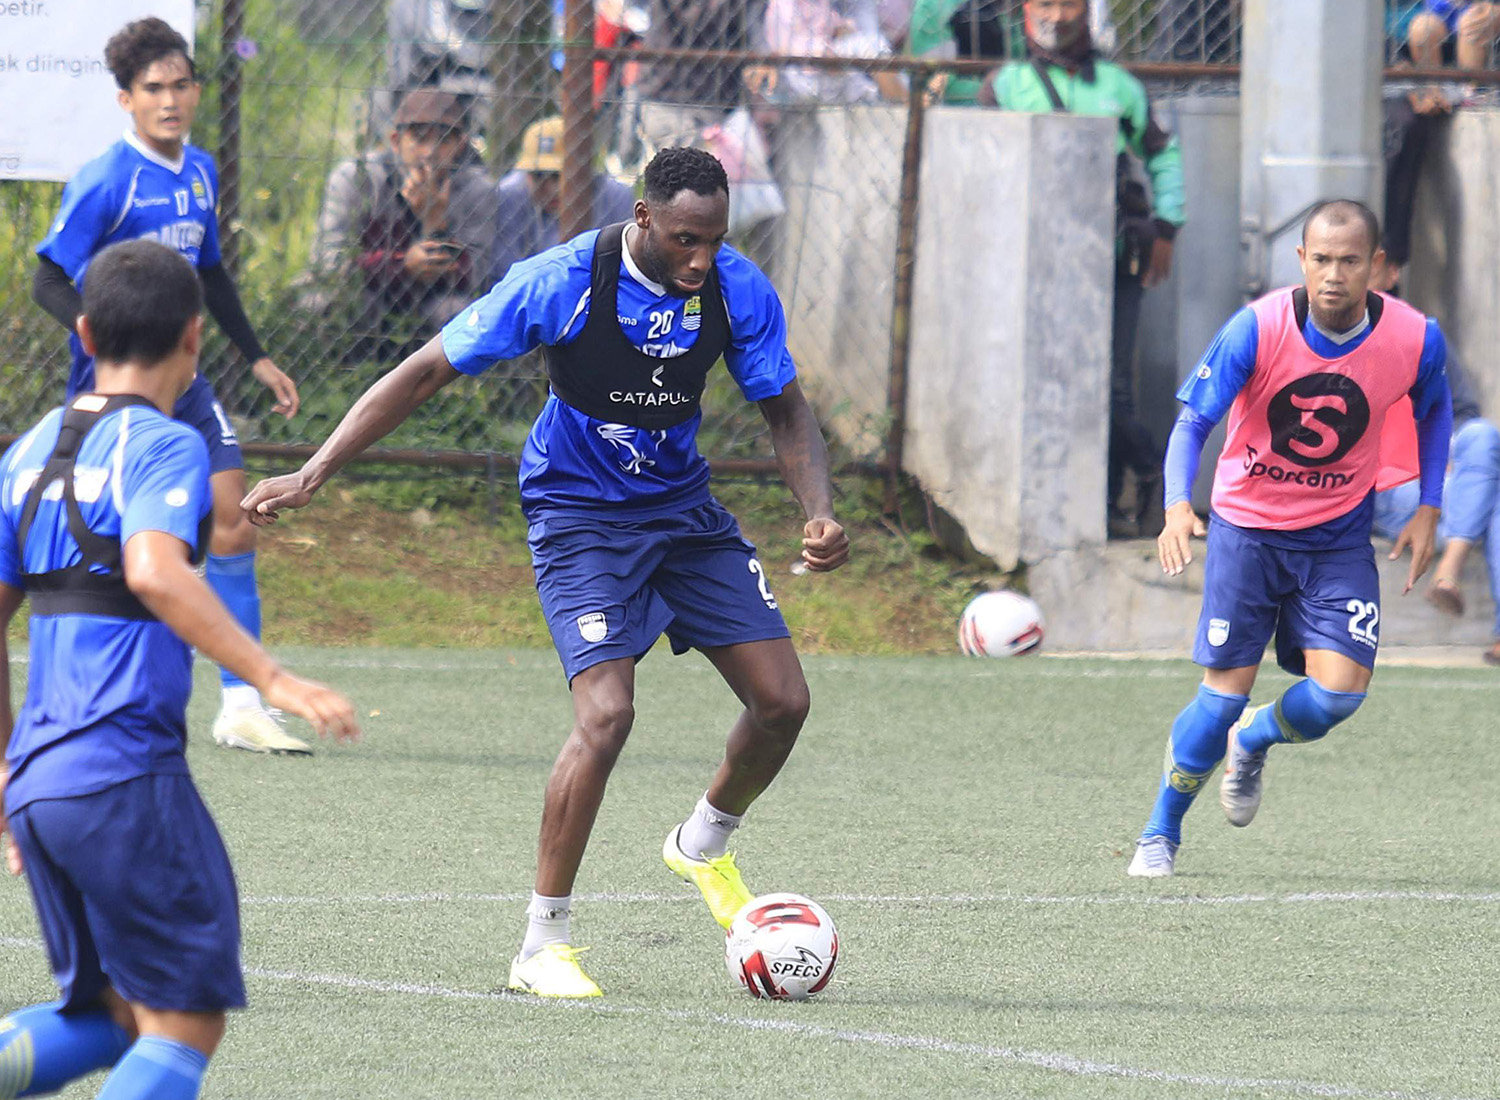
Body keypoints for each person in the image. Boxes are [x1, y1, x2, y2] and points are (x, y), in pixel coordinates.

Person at [242, 147, 848, 998]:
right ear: (641, 217)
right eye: (683, 239)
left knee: (784, 702)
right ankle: (542, 944)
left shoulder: (736, 287)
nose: (700, 259)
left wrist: (817, 509)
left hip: (682, 514)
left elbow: (784, 408)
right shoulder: (560, 281)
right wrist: (315, 471)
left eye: (713, 240)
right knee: (606, 715)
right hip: (580, 515)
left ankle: (702, 842)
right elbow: (424, 372)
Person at [0, 240, 359, 1100]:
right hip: (120, 770)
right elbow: (156, 570)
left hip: (41, 782)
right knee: (187, 1020)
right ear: (195, 339)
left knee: (115, 1015)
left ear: (83, 333)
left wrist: (8, 769)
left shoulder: (26, 452)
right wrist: (269, 678)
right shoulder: (165, 444)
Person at [1128, 200, 1453, 878]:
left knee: (1338, 695)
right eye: (1322, 259)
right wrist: (1176, 507)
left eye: (1351, 260)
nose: (1334, 275)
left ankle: (1258, 734)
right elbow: (1192, 424)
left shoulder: (1416, 338)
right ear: (1301, 261)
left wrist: (1428, 507)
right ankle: (1160, 831)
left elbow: (1435, 407)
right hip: (1247, 533)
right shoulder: (1258, 326)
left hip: (1336, 538)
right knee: (1218, 700)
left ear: (1380, 269)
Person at [30, 17, 309, 755]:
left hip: (185, 380)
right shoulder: (104, 181)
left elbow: (211, 270)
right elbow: (46, 277)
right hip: (113, 387)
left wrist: (256, 356)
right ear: (125, 99)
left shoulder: (201, 170)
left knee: (236, 517)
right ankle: (93, 695)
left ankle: (242, 705)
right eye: (153, 88)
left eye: (181, 84)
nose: (170, 99)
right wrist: (105, 333)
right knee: (109, 541)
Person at [981, 0, 1187, 537]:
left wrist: (1167, 227)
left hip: (1115, 260)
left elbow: (1163, 154)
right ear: (1025, 12)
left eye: (1067, 1)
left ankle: (1150, 482)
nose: (1056, 14)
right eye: (1044, 2)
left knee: (1110, 387)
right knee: (1054, 383)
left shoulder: (1121, 86)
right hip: (1033, 265)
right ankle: (1108, 501)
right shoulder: (1003, 87)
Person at [1368, 256, 1500, 662]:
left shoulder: (1423, 336)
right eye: (1332, 260)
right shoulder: (1322, 337)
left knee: (1481, 436)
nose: (1342, 273)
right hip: (1383, 491)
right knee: (1494, 500)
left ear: (1390, 273)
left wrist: (1441, 457)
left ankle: (1449, 570)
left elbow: (1462, 414)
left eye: (1358, 261)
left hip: (1441, 489)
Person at [303, 88, 496, 359]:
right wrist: (403, 264)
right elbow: (329, 263)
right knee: (320, 301)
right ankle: (336, 376)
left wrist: (435, 224)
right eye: (419, 139)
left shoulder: (476, 190)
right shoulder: (358, 179)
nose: (429, 152)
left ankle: (448, 394)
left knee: (458, 311)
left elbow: (475, 275)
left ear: (460, 145)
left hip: (434, 300)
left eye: (443, 140)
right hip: (368, 294)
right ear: (395, 141)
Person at [491, 116, 637, 283]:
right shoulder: (510, 194)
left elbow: (627, 272)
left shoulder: (615, 197)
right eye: (538, 176)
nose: (552, 189)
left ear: (585, 170)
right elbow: (504, 274)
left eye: (559, 176)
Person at [1405, 1, 1500, 70]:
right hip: (1437, 11)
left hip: (1478, 10)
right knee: (1422, 29)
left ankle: (1471, 89)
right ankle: (1431, 89)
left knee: (1472, 25)